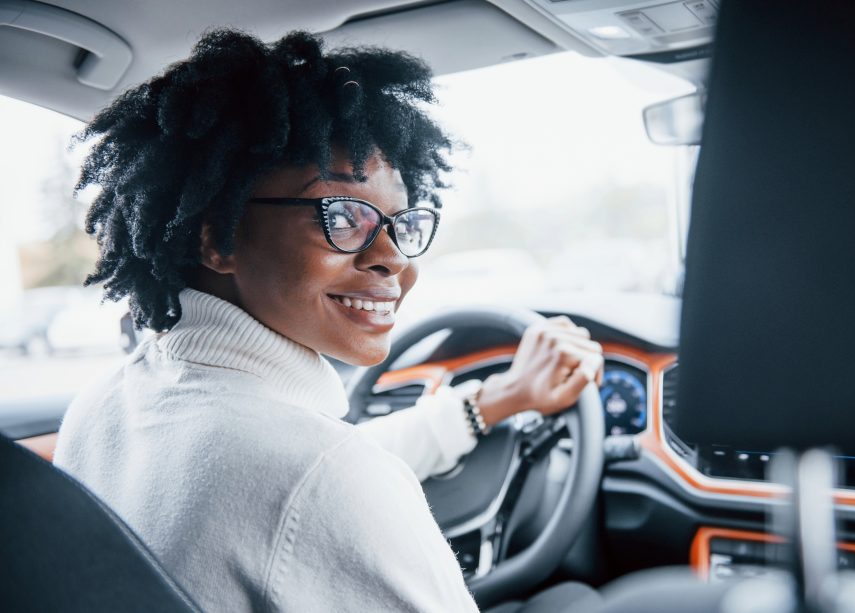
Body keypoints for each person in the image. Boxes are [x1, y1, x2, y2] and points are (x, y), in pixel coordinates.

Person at [53, 30, 604, 612]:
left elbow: (310, 472)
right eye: (343, 216)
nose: (394, 257)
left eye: (402, 223)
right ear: (218, 238)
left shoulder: (104, 404)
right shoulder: (326, 475)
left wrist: (495, 400)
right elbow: (318, 478)